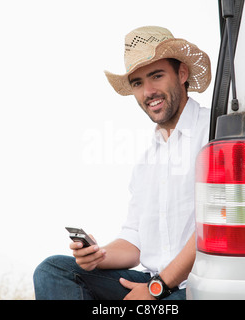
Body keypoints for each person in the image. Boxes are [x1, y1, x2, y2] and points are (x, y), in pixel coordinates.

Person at [33, 26, 212, 300]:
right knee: (52, 270)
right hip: (153, 283)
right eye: (138, 83)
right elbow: (135, 241)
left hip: (198, 288)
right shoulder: (147, 161)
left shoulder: (213, 132)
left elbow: (213, 224)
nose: (148, 91)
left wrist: (157, 289)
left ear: (182, 73)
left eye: (157, 76)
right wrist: (98, 256)